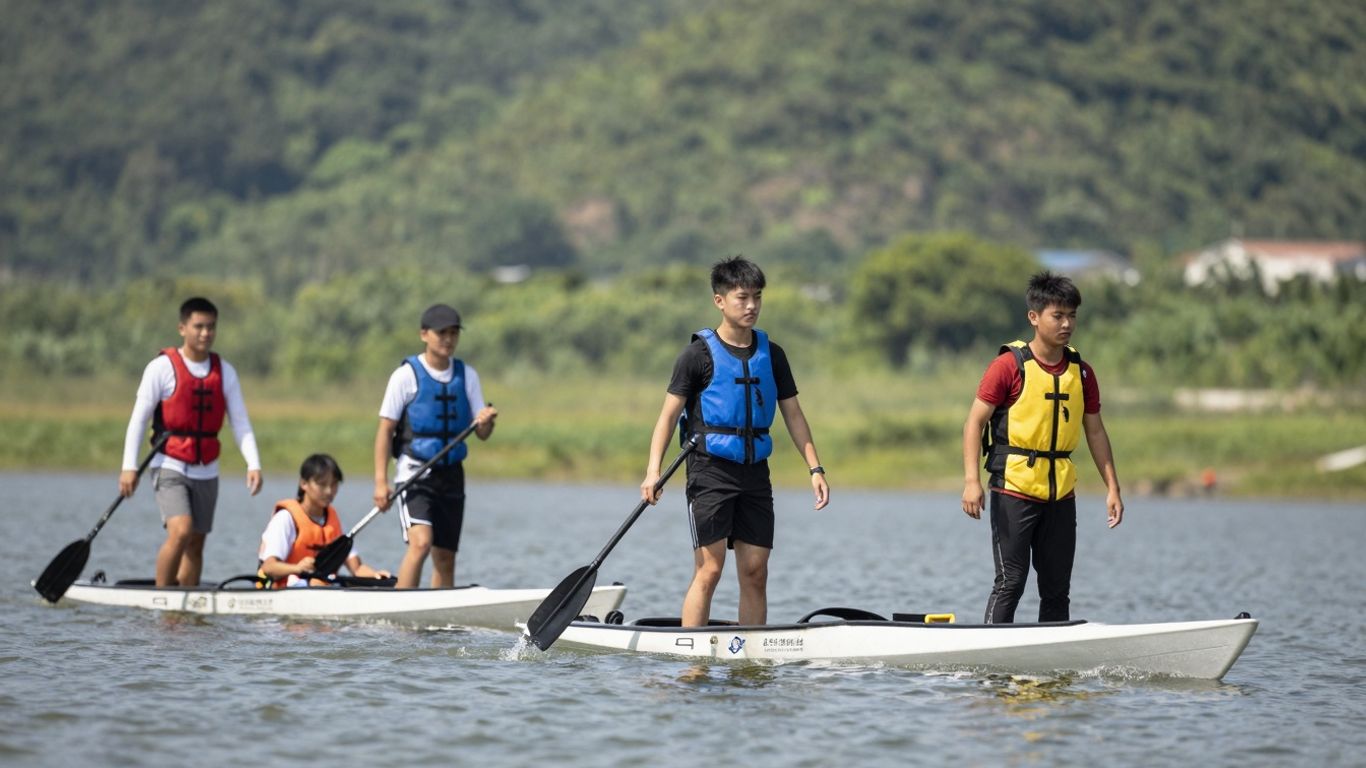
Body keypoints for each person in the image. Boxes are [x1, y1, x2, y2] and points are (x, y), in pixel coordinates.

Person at [641, 256, 830, 627]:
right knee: (709, 570)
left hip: (755, 473)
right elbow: (667, 417)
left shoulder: (772, 355)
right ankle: (691, 653)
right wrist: (653, 472)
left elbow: (794, 414)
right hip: (709, 471)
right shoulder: (696, 356)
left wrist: (815, 468)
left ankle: (751, 653)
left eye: (757, 297)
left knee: (756, 572)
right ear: (720, 300)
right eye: (742, 297)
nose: (751, 306)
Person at [961, 271, 1124, 624]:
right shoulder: (1008, 366)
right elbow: (974, 423)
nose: (1067, 324)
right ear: (1034, 317)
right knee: (1011, 582)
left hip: (1060, 493)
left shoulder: (1082, 373)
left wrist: (1112, 487)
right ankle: (991, 650)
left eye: (1072, 316)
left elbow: (1096, 432)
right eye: (1058, 316)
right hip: (1014, 488)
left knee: (1056, 589)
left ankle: (1053, 656)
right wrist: (971, 481)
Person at [119, 296, 263, 587]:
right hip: (169, 463)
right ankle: (162, 596)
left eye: (211, 327)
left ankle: (187, 603)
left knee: (196, 544)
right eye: (199, 326)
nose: (205, 333)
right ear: (182, 328)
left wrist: (254, 464)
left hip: (207, 468)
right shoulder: (161, 368)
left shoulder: (225, 372)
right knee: (181, 531)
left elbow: (240, 422)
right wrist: (128, 466)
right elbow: (139, 419)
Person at [373, 304, 497, 589]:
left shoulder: (467, 376)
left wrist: (487, 421)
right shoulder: (405, 376)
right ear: (424, 334)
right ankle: (402, 608)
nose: (449, 339)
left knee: (445, 558)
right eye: (442, 333)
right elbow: (385, 430)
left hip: (452, 475)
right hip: (415, 473)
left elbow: (482, 434)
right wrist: (380, 482)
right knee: (421, 543)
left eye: (454, 333)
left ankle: (440, 615)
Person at [257, 454, 390, 588]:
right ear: (304, 483)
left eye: (334, 484)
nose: (329, 491)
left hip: (319, 589)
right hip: (284, 589)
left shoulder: (334, 522)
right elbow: (268, 567)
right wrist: (297, 569)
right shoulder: (285, 518)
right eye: (322, 484)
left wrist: (375, 576)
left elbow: (356, 568)